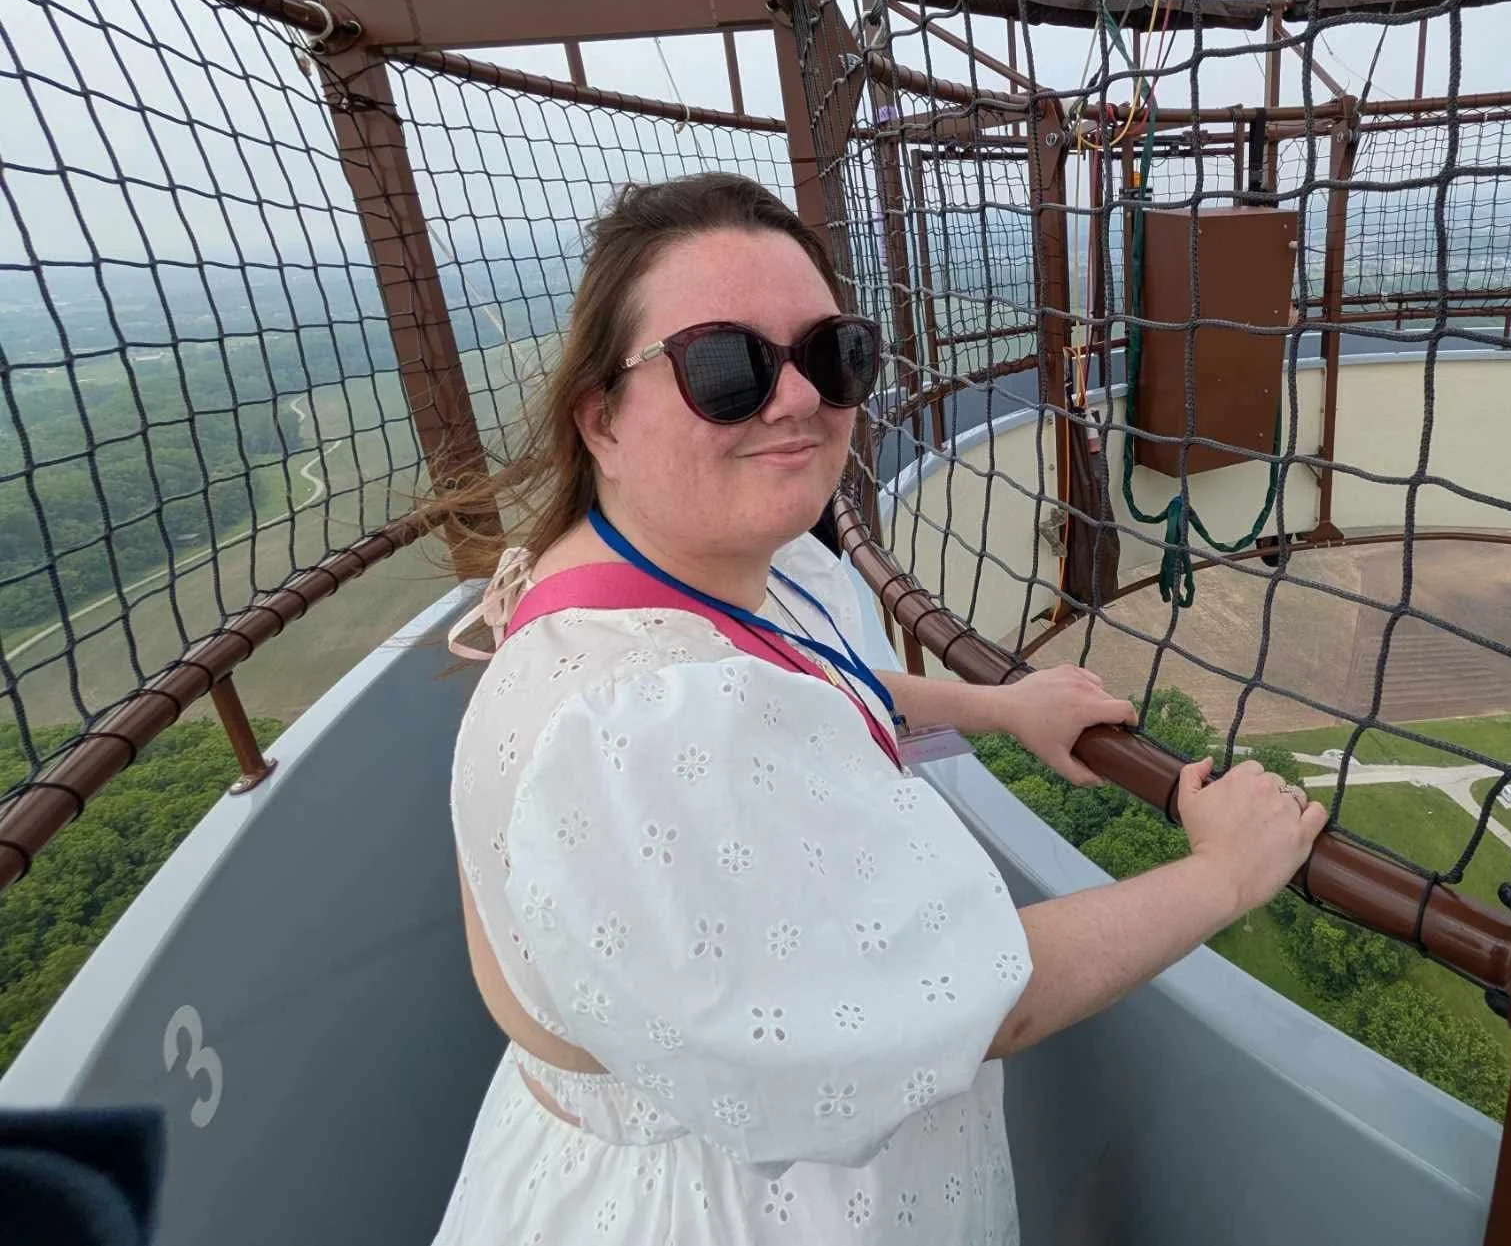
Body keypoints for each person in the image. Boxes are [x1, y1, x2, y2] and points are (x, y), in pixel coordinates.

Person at [429, 174, 1327, 1245]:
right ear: (601, 415)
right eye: (725, 367)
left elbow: (796, 691)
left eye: (832, 352)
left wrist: (999, 708)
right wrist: (1223, 873)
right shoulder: (627, 731)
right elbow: (987, 995)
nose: (798, 396)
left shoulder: (683, 575)